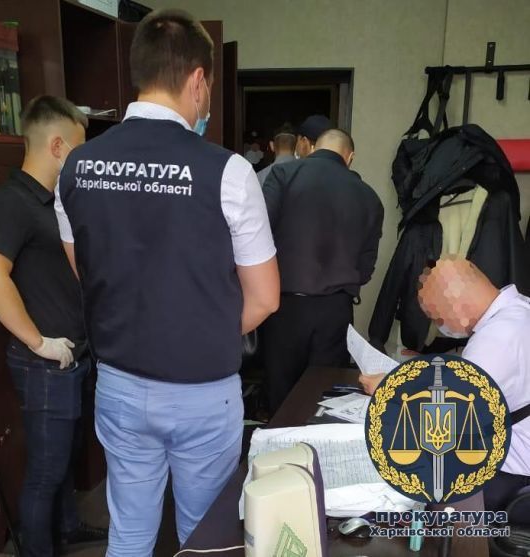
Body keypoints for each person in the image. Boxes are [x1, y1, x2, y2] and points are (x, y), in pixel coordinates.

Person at [54, 9, 280, 555]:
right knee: (203, 534)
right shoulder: (228, 171)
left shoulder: (76, 167)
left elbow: (87, 270)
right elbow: (265, 298)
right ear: (198, 81)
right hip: (202, 390)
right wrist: (199, 331)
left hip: (119, 384)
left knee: (130, 531)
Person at [0, 96, 107, 557]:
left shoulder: (55, 202)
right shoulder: (10, 202)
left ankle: (67, 528)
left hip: (72, 353)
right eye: (79, 148)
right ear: (57, 146)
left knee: (67, 455)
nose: (83, 159)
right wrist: (37, 342)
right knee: (45, 471)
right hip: (44, 362)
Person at [359, 256, 530, 513]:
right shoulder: (519, 309)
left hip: (509, 476)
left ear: (457, 304)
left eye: (437, 317)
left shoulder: (495, 340)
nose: (439, 327)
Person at [262, 128, 383, 414]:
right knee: (323, 396)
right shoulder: (369, 197)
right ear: (350, 157)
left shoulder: (284, 175)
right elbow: (367, 266)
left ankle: (279, 440)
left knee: (280, 393)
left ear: (313, 148)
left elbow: (258, 235)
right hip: (336, 310)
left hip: (284, 306)